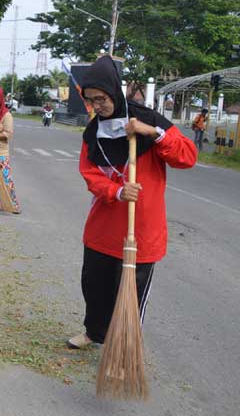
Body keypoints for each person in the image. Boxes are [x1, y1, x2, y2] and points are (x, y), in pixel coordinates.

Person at [68, 56, 197, 349]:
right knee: (95, 286)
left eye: (101, 98)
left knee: (132, 294)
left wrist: (154, 134)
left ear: (114, 91)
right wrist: (116, 191)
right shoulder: (93, 132)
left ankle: (124, 346)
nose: (97, 106)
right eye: (90, 101)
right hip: (102, 229)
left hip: (140, 232)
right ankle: (94, 333)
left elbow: (187, 157)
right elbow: (89, 174)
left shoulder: (149, 120)